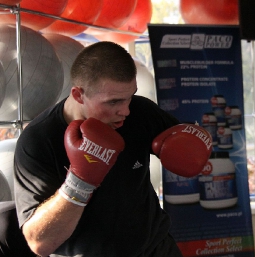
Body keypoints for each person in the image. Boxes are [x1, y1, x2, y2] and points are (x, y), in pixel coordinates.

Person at [13, 41, 184, 257]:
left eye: (129, 97)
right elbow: (39, 243)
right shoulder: (38, 141)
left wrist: (195, 142)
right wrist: (79, 183)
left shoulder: (140, 112)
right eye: (113, 102)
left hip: (156, 250)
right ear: (78, 95)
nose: (125, 111)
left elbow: (187, 146)